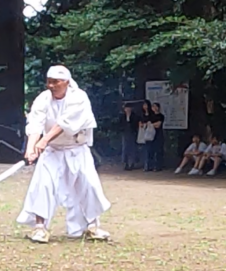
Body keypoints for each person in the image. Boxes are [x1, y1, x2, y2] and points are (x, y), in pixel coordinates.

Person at [18, 65, 111, 244]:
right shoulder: (43, 99)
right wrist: (30, 149)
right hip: (52, 151)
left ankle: (92, 226)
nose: (51, 86)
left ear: (66, 82)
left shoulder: (79, 97)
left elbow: (65, 123)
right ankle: (40, 228)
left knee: (89, 185)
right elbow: (36, 123)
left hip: (77, 148)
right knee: (43, 185)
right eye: (49, 82)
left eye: (55, 82)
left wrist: (44, 141)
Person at [145, 102, 166, 172]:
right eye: (153, 107)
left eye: (155, 106)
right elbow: (147, 123)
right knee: (150, 151)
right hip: (150, 135)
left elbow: (158, 125)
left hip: (158, 135)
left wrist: (151, 124)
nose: (154, 108)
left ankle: (158, 166)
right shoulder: (150, 116)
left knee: (158, 151)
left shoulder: (161, 116)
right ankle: (149, 166)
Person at [120, 103, 141, 171]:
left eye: (129, 108)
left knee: (133, 149)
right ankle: (125, 163)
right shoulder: (122, 116)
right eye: (126, 108)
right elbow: (120, 125)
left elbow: (135, 125)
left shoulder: (135, 116)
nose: (128, 110)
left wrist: (129, 119)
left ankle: (132, 163)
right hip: (125, 134)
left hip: (132, 134)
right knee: (125, 149)